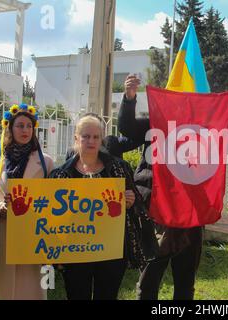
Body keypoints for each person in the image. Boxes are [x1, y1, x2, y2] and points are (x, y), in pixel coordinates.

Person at [119, 75, 228, 300]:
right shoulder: (157, 121)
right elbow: (128, 128)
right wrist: (129, 98)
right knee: (149, 279)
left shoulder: (206, 129)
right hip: (158, 211)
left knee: (185, 280)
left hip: (191, 212)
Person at [49, 114, 152, 300]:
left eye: (96, 137)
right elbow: (51, 215)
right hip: (75, 252)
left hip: (111, 250)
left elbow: (137, 204)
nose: (91, 141)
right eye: (86, 136)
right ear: (76, 139)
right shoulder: (61, 175)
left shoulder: (119, 168)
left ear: (101, 139)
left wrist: (130, 201)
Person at [0, 104, 54, 300]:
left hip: (34, 235)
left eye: (29, 126)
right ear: (10, 128)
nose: (25, 130)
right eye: (20, 126)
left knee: (31, 290)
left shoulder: (46, 162)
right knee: (3, 290)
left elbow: (55, 197)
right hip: (3, 234)